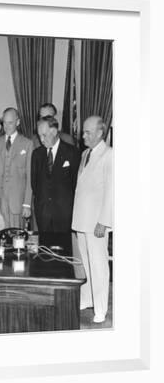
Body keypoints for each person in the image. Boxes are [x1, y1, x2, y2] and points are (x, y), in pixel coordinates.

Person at [72, 116, 113, 323]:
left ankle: (101, 309)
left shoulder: (109, 155)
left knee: (98, 266)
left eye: (88, 132)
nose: (83, 135)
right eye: (84, 131)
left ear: (100, 133)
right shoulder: (86, 153)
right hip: (81, 219)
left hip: (96, 222)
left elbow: (111, 192)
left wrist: (104, 221)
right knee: (85, 264)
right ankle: (87, 299)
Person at [31, 116, 80, 249]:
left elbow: (75, 184)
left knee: (64, 252)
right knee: (44, 251)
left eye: (44, 135)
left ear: (54, 131)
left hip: (64, 213)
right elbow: (35, 185)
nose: (41, 140)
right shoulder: (37, 154)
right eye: (39, 135)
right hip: (43, 213)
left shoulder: (72, 153)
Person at [0, 107, 33, 229]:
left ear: (17, 122)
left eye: (10, 122)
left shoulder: (27, 144)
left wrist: (27, 204)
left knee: (17, 239)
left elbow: (30, 177)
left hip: (17, 202)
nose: (7, 126)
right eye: (4, 122)